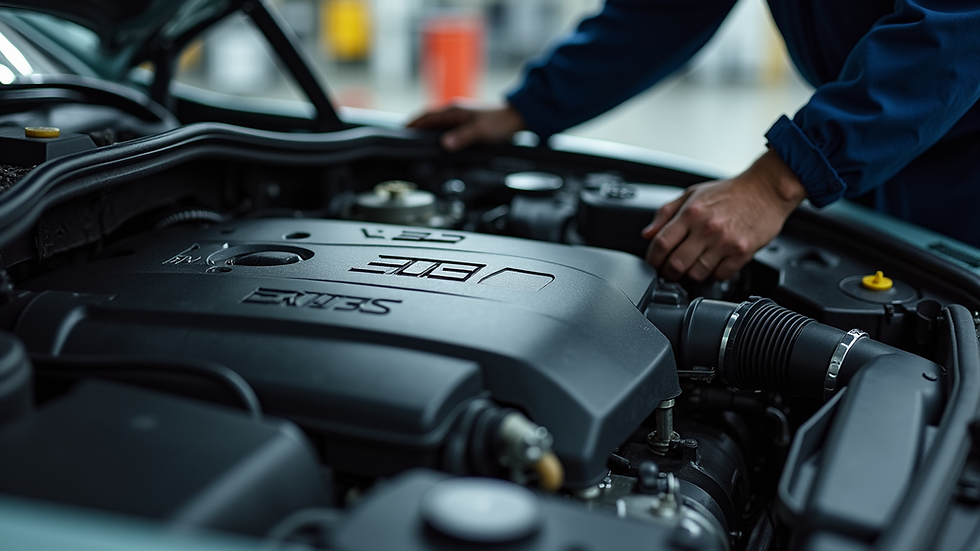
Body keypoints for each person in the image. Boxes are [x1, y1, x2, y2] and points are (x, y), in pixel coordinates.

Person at [408, 0, 980, 282]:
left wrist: (776, 182)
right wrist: (527, 107)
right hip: (883, 148)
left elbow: (955, 28)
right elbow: (666, 9)